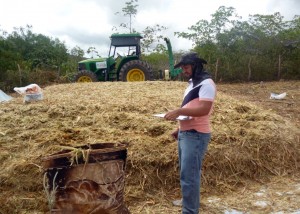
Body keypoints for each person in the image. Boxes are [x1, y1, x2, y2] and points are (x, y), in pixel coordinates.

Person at [164, 52, 216, 214]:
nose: (184, 70)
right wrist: (180, 128)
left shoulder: (206, 83)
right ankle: (188, 201)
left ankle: (190, 210)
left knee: (190, 176)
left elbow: (204, 109)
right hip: (187, 133)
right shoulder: (193, 83)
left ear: (195, 66)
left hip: (196, 134)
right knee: (186, 173)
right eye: (183, 68)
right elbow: (193, 107)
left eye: (186, 67)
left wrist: (179, 111)